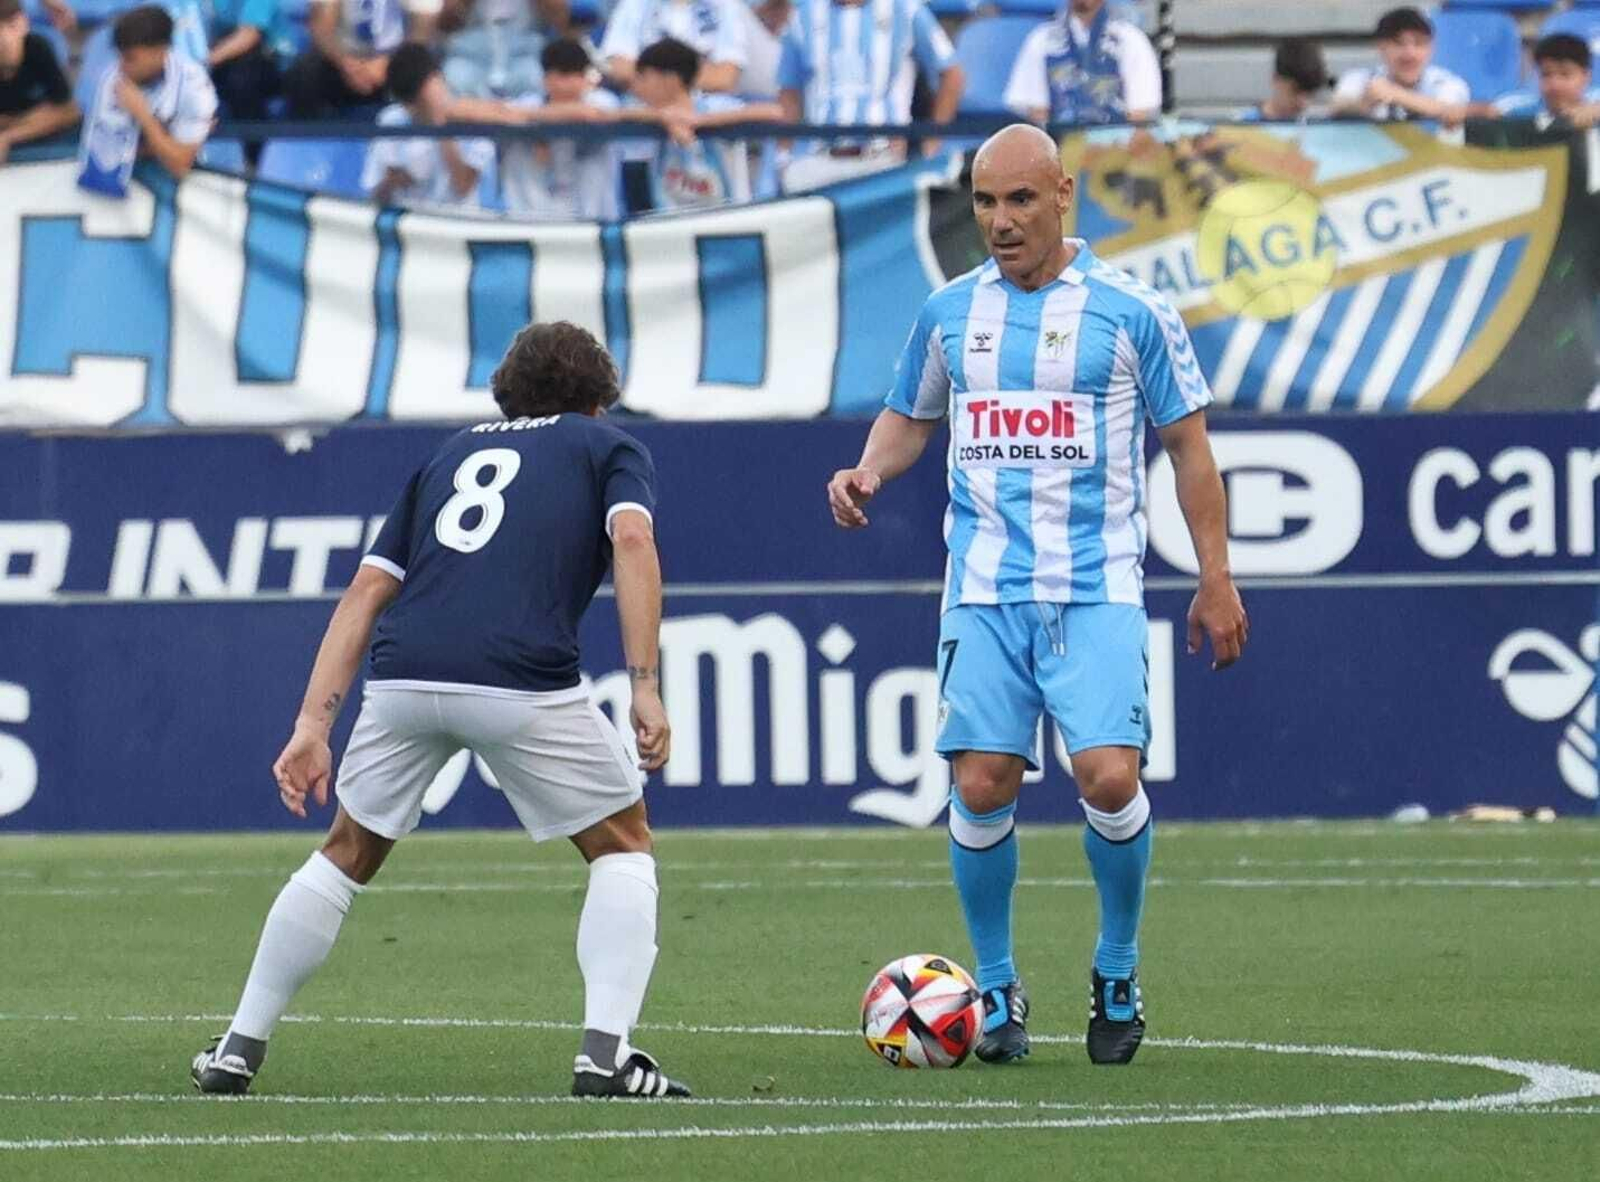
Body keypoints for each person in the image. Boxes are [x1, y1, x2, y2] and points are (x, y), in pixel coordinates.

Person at [826, 124, 1246, 1067]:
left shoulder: (1134, 311)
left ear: (1065, 195)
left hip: (1094, 585)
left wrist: (1214, 576)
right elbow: (909, 414)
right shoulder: (947, 314)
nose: (1001, 221)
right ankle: (999, 985)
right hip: (981, 589)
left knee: (1110, 777)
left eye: (1020, 200)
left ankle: (1118, 964)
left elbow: (1190, 450)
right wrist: (867, 473)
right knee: (979, 784)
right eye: (984, 203)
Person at [191, 320, 689, 1101]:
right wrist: (645, 682)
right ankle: (605, 1054)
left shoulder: (448, 454)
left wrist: (313, 724)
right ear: (596, 401)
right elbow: (632, 542)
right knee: (623, 842)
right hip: (520, 678)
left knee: (347, 851)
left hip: (404, 676)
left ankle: (236, 1048)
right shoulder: (607, 447)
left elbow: (367, 589)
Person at [777, 0, 964, 192]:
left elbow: (952, 74)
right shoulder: (802, 15)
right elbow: (788, 91)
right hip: (818, 159)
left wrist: (930, 146)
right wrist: (784, 155)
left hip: (881, 159)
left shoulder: (907, 10)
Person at [78, 5, 217, 196]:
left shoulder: (195, 84)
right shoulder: (112, 77)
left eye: (130, 58)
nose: (122, 66)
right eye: (120, 56)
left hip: (181, 192)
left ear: (160, 51)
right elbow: (105, 157)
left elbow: (180, 165)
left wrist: (143, 115)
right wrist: (163, 141)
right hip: (115, 192)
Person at [633, 35, 780, 210]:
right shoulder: (645, 117)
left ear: (670, 79)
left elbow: (776, 112)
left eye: (644, 77)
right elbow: (604, 115)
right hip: (669, 227)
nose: (637, 87)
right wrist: (663, 118)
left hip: (725, 223)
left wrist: (701, 122)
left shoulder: (715, 106)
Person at [361, 43, 495, 209]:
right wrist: (398, 179)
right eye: (406, 104)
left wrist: (440, 123)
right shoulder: (391, 119)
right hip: (407, 220)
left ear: (436, 81)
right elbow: (375, 196)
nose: (411, 110)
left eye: (416, 102)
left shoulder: (471, 121)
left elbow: (463, 187)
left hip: (456, 222)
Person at [1004, 0, 1161, 127]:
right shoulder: (1042, 40)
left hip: (1115, 148)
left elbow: (1140, 111)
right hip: (1060, 146)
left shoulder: (1130, 39)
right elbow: (1037, 111)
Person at [285, 0, 443, 118]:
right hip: (345, 58)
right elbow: (320, 25)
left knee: (422, 69)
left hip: (397, 57)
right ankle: (309, 149)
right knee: (304, 72)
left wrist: (388, 63)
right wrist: (346, 63)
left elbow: (423, 27)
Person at [1331, 7, 1470, 126]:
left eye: (1419, 44)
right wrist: (1365, 101)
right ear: (1381, 47)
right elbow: (1337, 108)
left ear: (1431, 48)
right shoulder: (1360, 78)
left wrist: (1395, 94)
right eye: (1399, 43)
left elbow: (1451, 111)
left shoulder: (1447, 82)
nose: (1409, 54)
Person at [600, 0, 746, 94]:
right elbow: (621, 69)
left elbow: (723, 78)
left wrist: (655, 79)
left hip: (708, 109)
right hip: (644, 106)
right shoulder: (635, 3)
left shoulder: (727, 5)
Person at [0, 0, 78, 165]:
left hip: (36, 138)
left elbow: (69, 111)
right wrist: (41, 116)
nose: (5, 37)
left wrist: (9, 135)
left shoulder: (38, 49)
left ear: (24, 24)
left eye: (11, 26)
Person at [438, 0, 567, 99]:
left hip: (523, 52)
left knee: (535, 78)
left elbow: (561, 20)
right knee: (454, 76)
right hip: (473, 53)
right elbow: (444, 25)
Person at [203, 0, 291, 124]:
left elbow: (249, 35)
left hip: (271, 61)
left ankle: (254, 138)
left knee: (243, 77)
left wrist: (201, 63)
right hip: (221, 57)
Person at [1495, 34, 1600, 130]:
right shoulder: (1519, 116)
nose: (1555, 84)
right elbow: (1489, 112)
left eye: (1565, 74)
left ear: (1586, 76)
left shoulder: (1595, 113)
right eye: (1546, 74)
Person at [1238, 36, 1327, 123]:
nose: (1303, 103)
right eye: (1295, 91)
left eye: (1310, 94)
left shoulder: (1317, 125)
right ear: (1276, 80)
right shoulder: (1244, 125)